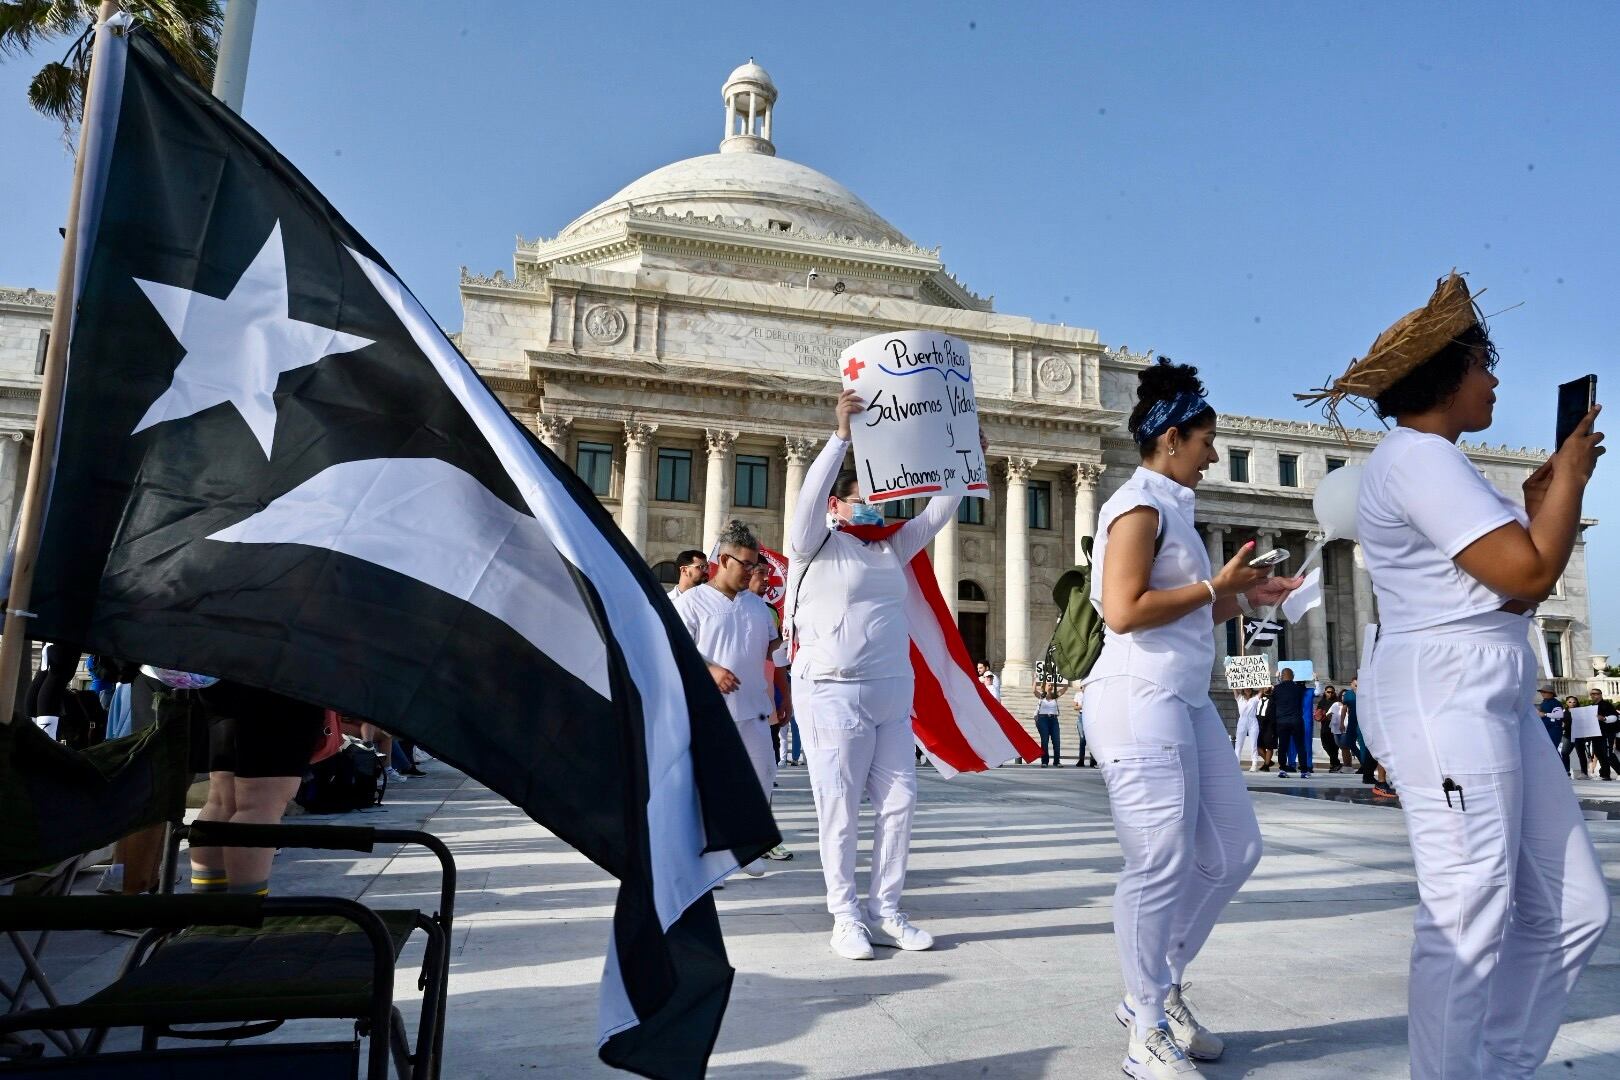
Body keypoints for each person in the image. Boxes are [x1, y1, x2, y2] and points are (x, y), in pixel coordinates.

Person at [1324, 272, 1609, 1079]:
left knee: (1573, 908)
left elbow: (1506, 599)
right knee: (1467, 911)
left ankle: (1498, 1065)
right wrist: (1573, 482)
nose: (1493, 378)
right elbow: (1527, 576)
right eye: (1484, 362)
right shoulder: (1418, 462)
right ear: (1448, 373)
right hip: (1446, 699)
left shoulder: (1438, 463)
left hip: (1490, 691)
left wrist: (1537, 499)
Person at [1082, 358, 1299, 1079]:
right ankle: (1144, 1027)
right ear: (1172, 438)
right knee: (1159, 863)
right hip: (1136, 698)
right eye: (1208, 441)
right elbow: (1122, 610)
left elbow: (1192, 607)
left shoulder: (1175, 508)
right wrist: (1216, 583)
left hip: (1182, 696)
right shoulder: (1138, 506)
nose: (1214, 455)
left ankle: (1158, 984)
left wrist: (1250, 596)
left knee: (1235, 850)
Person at [786, 389, 967, 961]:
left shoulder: (891, 548)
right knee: (838, 809)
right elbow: (808, 498)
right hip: (831, 691)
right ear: (839, 507)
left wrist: (963, 460)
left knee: (899, 804)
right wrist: (840, 437)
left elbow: (938, 511)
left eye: (880, 502)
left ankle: (887, 910)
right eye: (862, 500)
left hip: (891, 692)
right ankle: (846, 917)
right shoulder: (812, 545)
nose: (875, 509)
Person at [675, 520, 782, 876]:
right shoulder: (692, 602)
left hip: (754, 711)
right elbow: (674, 649)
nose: (752, 571)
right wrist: (710, 669)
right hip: (710, 713)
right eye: (747, 565)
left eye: (756, 565)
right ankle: (707, 860)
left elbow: (771, 652)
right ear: (724, 559)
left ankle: (744, 850)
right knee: (709, 787)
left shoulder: (757, 606)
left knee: (761, 779)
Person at [189, 680, 327, 897]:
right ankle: (240, 914)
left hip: (223, 672)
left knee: (222, 799)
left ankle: (209, 907)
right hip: (281, 675)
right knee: (260, 804)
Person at [1270, 668, 1308, 778]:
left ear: (1281, 676)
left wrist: (1274, 723)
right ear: (1293, 676)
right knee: (1300, 745)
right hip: (1296, 720)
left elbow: (1273, 706)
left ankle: (1282, 769)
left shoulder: (1276, 689)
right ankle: (1304, 771)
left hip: (1281, 721)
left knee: (1282, 746)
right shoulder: (1298, 688)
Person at [1588, 687, 1618, 781]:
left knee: (1608, 754)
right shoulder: (1592, 706)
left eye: (1596, 693)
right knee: (1599, 754)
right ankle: (1604, 774)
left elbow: (1614, 717)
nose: (1593, 695)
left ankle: (1613, 773)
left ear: (1600, 695)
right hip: (1595, 734)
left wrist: (1604, 719)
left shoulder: (1606, 705)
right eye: (1592, 694)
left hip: (1606, 733)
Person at [1232, 688, 1261, 771]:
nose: (1247, 690)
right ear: (1243, 690)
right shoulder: (1239, 698)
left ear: (1252, 690)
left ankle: (1254, 764)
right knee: (1238, 744)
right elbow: (1234, 688)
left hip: (1253, 721)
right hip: (1242, 721)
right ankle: (1236, 764)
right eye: (1246, 689)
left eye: (1249, 689)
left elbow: (1261, 690)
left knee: (1253, 744)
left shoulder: (1255, 698)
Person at [1034, 681, 1062, 766]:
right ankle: (1044, 761)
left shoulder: (1055, 696)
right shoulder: (1041, 696)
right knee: (1045, 741)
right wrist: (1034, 679)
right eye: (1049, 685)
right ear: (1044, 687)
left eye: (1052, 685)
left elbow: (1065, 688)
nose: (1051, 686)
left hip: (1054, 719)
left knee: (1056, 741)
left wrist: (1061, 682)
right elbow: (1034, 691)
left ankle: (1056, 761)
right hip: (1043, 719)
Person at [1254, 685, 1276, 771]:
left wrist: (1274, 689)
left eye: (1268, 687)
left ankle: (1266, 765)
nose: (1266, 688)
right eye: (1265, 686)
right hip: (1258, 724)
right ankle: (1268, 761)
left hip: (1270, 725)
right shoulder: (1257, 698)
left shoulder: (1274, 699)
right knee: (1258, 746)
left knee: (1269, 745)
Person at [1072, 684, 1093, 767]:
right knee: (1082, 739)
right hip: (1081, 716)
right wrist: (1082, 705)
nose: (1084, 688)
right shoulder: (1078, 694)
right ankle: (1081, 760)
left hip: (1090, 717)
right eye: (1083, 686)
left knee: (1091, 739)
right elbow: (1075, 707)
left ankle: (1093, 760)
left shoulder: (1092, 694)